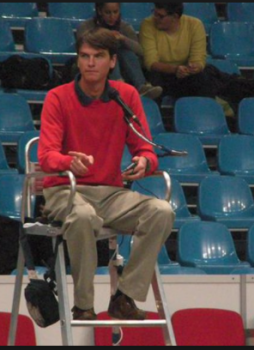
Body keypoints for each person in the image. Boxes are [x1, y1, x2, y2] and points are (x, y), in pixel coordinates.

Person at [38, 27, 175, 321]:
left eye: (98, 56)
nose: (90, 63)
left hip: (112, 193)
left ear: (112, 61)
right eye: (84, 56)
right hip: (66, 190)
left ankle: (124, 297)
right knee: (84, 217)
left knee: (162, 211)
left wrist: (144, 163)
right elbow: (46, 157)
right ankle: (83, 305)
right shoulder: (57, 98)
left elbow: (146, 149)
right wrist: (67, 161)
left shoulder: (124, 95)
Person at [77, 3, 163, 100]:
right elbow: (82, 47)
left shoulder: (124, 27)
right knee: (111, 53)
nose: (112, 16)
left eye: (115, 12)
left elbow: (140, 51)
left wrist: (123, 39)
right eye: (107, 12)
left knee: (126, 52)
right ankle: (118, 83)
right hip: (95, 62)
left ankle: (142, 86)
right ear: (100, 11)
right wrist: (104, 37)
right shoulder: (87, 26)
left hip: (123, 65)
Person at [139, 3, 215, 99]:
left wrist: (195, 67)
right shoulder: (147, 24)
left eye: (160, 16)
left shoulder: (195, 25)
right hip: (159, 73)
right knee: (155, 79)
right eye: (154, 13)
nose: (155, 18)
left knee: (202, 78)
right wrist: (175, 69)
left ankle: (202, 110)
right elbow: (150, 62)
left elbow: (198, 57)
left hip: (185, 73)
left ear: (175, 16)